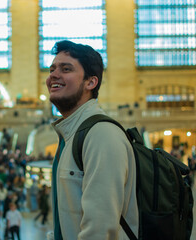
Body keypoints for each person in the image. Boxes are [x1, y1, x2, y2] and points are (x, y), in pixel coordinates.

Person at [47, 40, 138, 239]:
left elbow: (99, 230)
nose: (53, 74)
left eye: (66, 68)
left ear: (91, 82)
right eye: (52, 68)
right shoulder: (71, 133)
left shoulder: (101, 134)